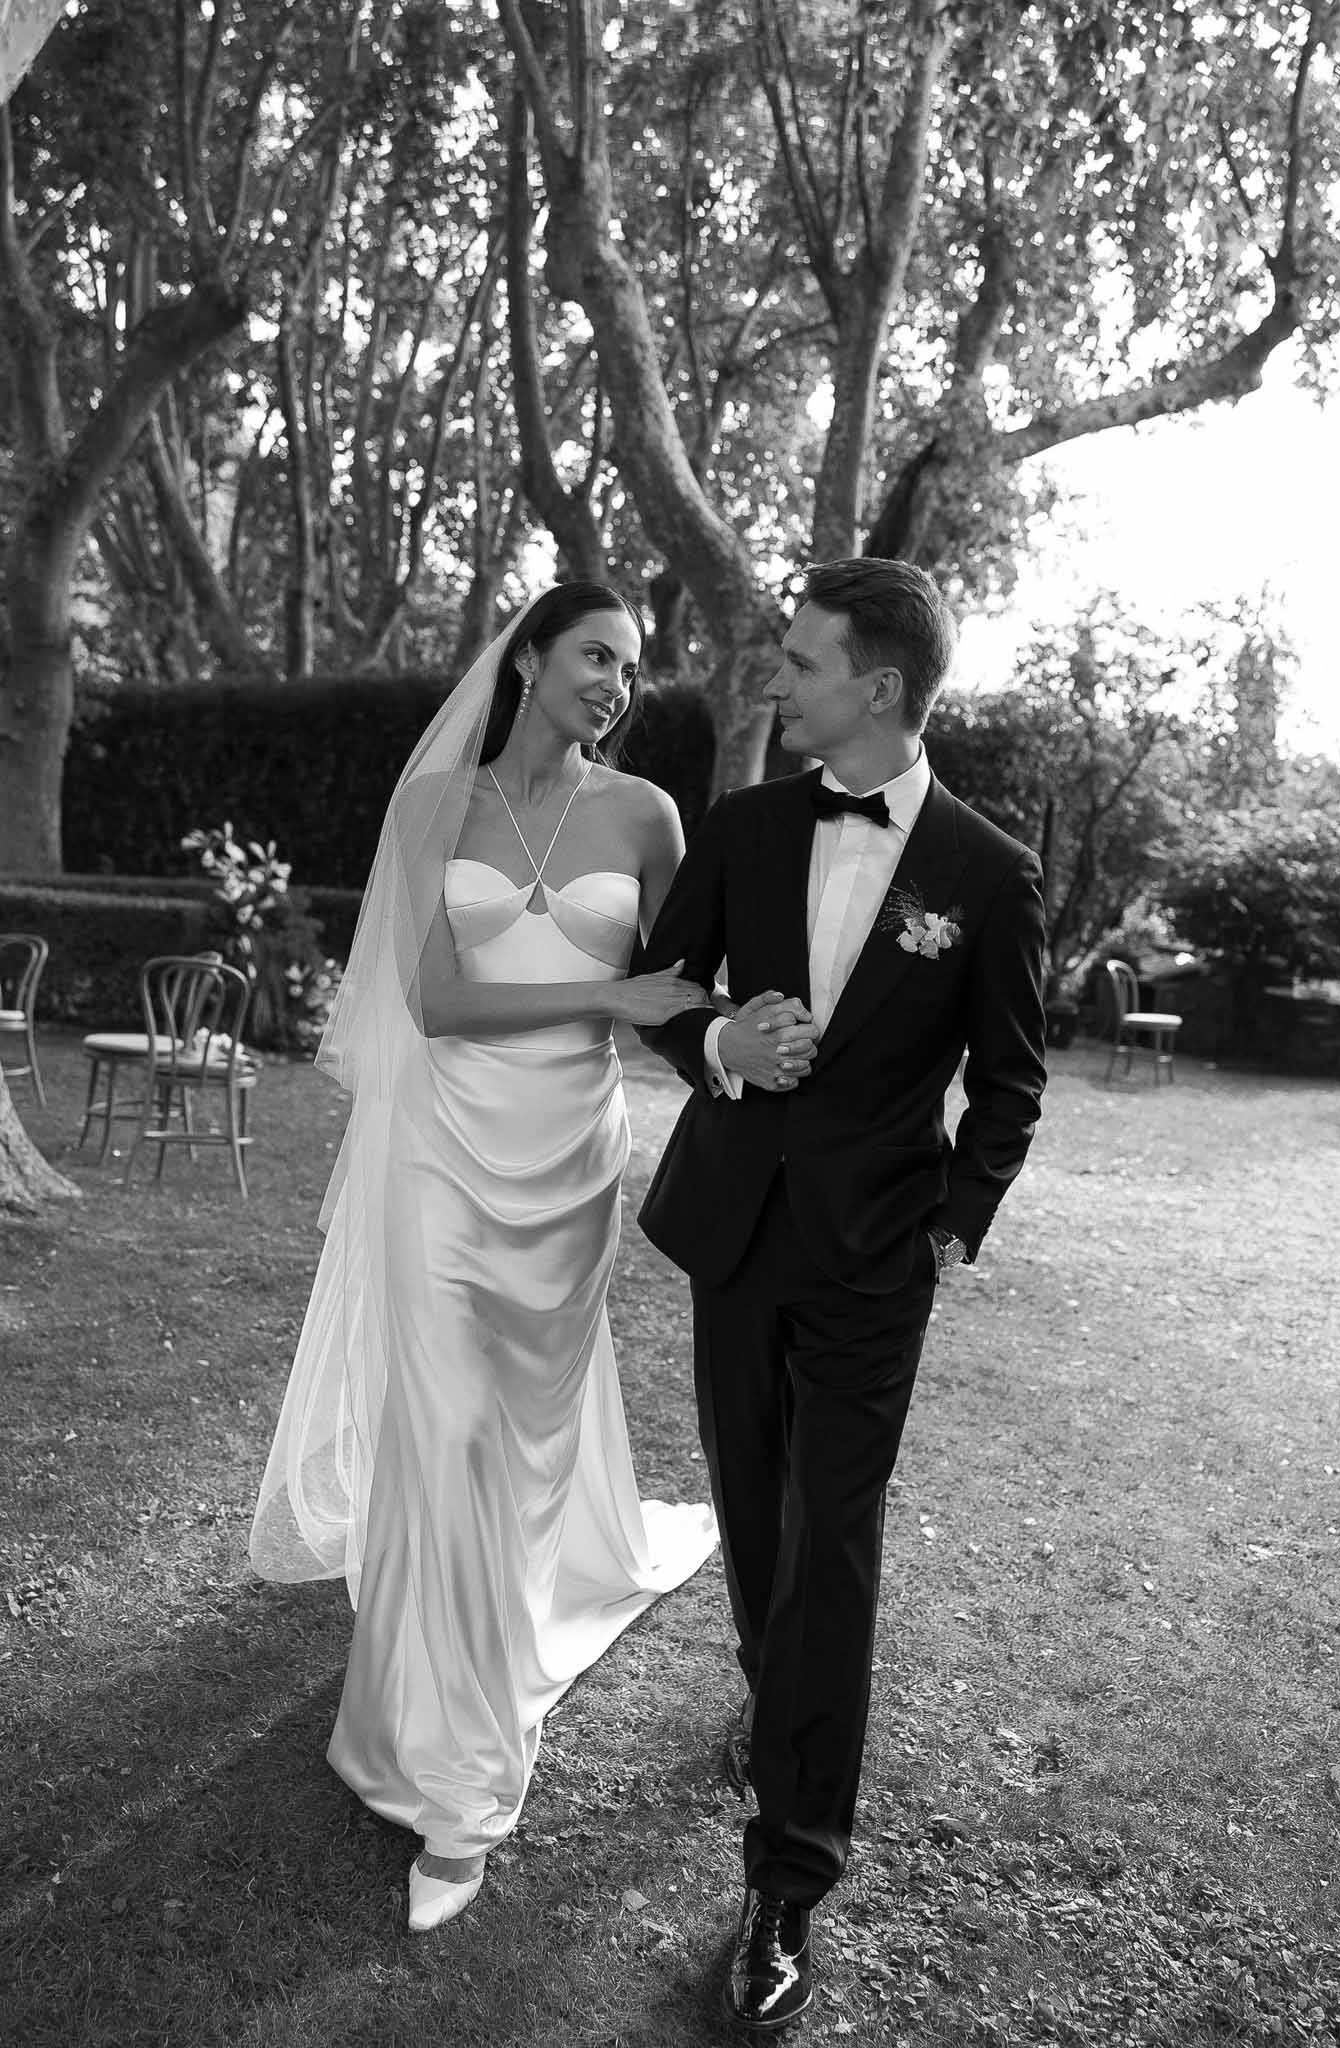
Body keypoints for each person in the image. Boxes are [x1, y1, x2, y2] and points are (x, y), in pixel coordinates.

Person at [250, 582, 717, 1933]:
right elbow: (437, 1000)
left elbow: (683, 993)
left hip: (571, 1162)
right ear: (527, 660)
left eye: (629, 667)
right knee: (444, 1424)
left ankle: (483, 1661)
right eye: (594, 654)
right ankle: (461, 1781)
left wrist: (731, 1034)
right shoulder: (431, 807)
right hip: (441, 1156)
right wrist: (604, 989)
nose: (614, 682)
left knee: (520, 1440)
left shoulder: (648, 817)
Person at [634, 558, 1047, 2030]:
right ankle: (779, 1701)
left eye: (800, 662)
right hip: (737, 1234)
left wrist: (951, 1228)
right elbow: (658, 984)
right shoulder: (745, 827)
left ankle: (787, 1880)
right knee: (755, 1518)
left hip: (874, 1263)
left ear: (877, 688)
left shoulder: (988, 872)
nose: (776, 681)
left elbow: (1010, 1081)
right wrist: (720, 1048)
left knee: (834, 1544)